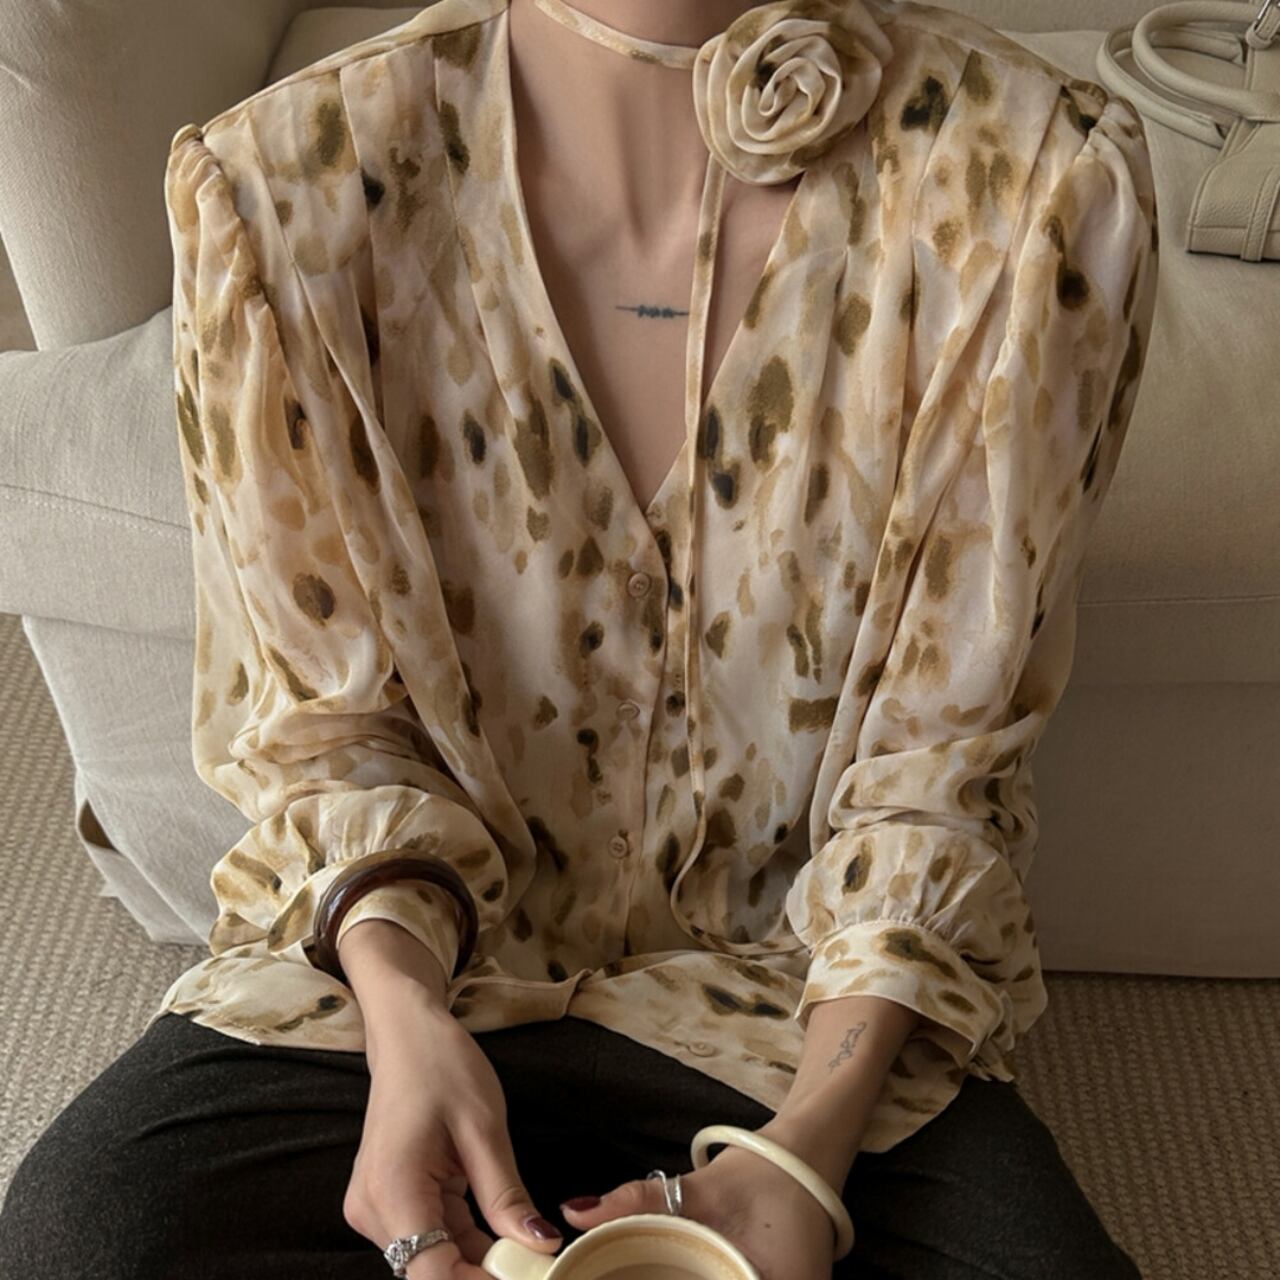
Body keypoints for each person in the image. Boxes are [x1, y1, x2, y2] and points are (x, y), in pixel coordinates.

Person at [0, 0, 1158, 1276]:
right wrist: (404, 1020)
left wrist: (799, 1157)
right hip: (399, 985)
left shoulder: (1028, 180)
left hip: (799, 1009)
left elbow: (936, 771)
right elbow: (329, 740)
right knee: (80, 1240)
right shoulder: (284, 185)